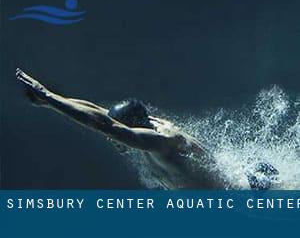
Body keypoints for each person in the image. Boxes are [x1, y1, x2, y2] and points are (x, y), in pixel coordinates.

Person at [15, 68, 278, 189]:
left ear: (132, 128)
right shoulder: (146, 127)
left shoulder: (162, 142)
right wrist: (51, 101)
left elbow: (106, 125)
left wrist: (48, 97)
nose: (110, 139)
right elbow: (99, 113)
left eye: (115, 134)